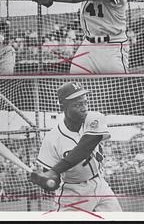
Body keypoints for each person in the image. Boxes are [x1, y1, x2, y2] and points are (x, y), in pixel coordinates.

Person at [30, 81, 122, 212]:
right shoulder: (51, 139)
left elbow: (84, 148)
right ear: (62, 108)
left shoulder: (94, 118)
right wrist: (45, 181)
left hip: (99, 184)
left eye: (85, 102)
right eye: (78, 105)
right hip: (73, 193)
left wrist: (54, 171)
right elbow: (53, 182)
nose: (84, 108)